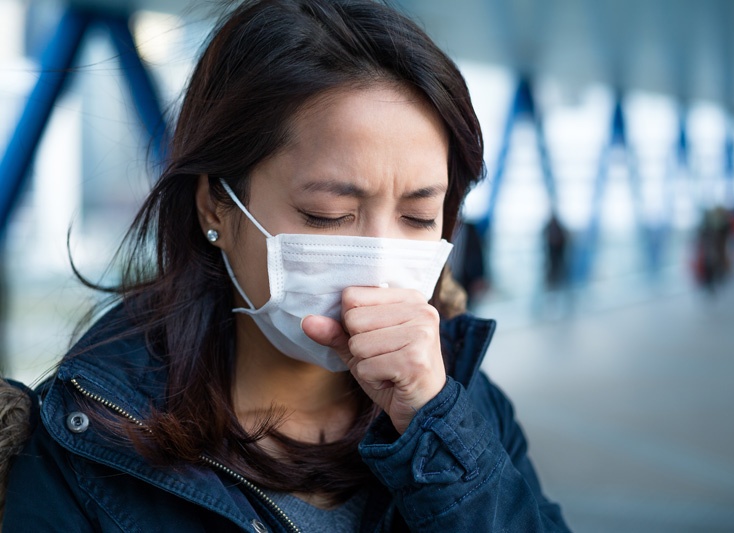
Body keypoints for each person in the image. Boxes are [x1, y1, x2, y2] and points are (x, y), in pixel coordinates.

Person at [1, 1, 570, 531]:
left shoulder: (465, 400)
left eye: (419, 216)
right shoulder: (85, 440)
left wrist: (435, 426)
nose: (375, 267)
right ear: (216, 205)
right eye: (328, 215)